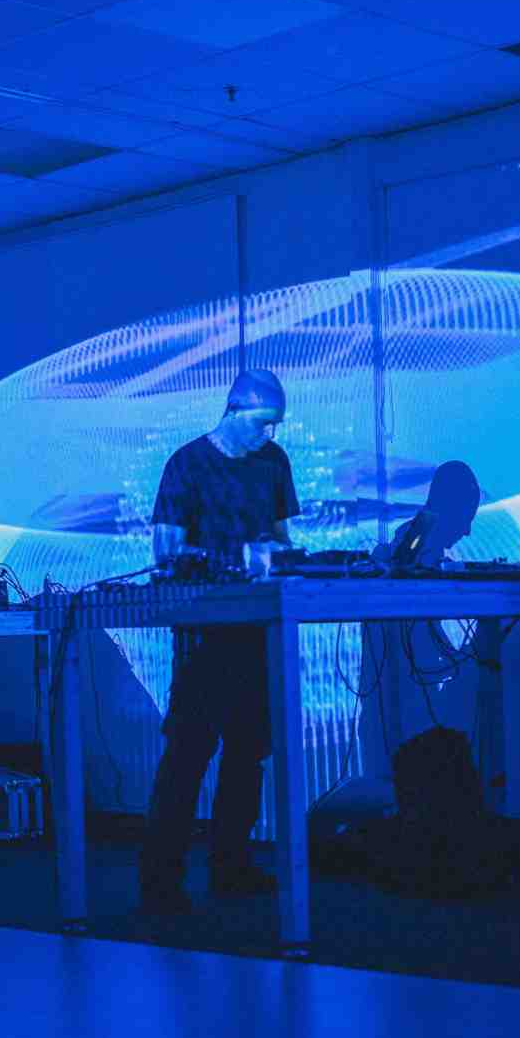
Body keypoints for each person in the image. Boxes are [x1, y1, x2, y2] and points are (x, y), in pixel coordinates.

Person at [138, 369, 301, 914]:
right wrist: (213, 566)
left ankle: (231, 864)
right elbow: (165, 551)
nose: (269, 435)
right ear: (233, 411)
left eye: (275, 426)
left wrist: (283, 562)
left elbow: (281, 538)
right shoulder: (187, 463)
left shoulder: (273, 462)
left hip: (255, 627)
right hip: (204, 633)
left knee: (248, 751)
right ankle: (160, 878)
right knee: (189, 752)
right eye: (262, 424)